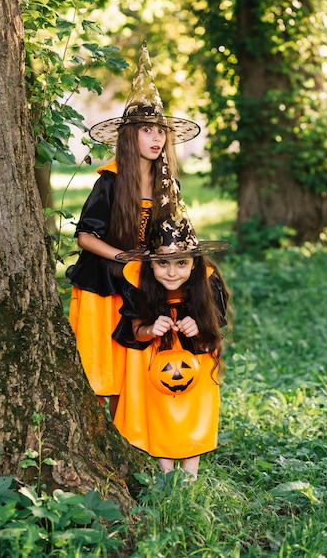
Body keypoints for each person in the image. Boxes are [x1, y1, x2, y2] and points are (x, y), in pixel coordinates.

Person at [67, 42, 201, 417]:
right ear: (130, 136)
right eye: (146, 130)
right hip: (104, 282)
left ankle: (132, 428)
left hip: (141, 284)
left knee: (136, 357)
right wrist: (124, 256)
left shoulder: (166, 186)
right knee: (100, 363)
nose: (156, 138)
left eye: (160, 131)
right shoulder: (109, 182)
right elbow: (85, 236)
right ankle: (98, 430)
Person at [112, 152, 231, 478]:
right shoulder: (138, 282)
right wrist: (150, 329)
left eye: (181, 263)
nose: (171, 272)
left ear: (194, 263)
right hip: (153, 359)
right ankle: (165, 471)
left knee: (193, 404)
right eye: (163, 263)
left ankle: (191, 472)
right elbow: (133, 331)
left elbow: (215, 334)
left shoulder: (207, 282)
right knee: (159, 407)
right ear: (151, 263)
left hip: (197, 356)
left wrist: (200, 328)